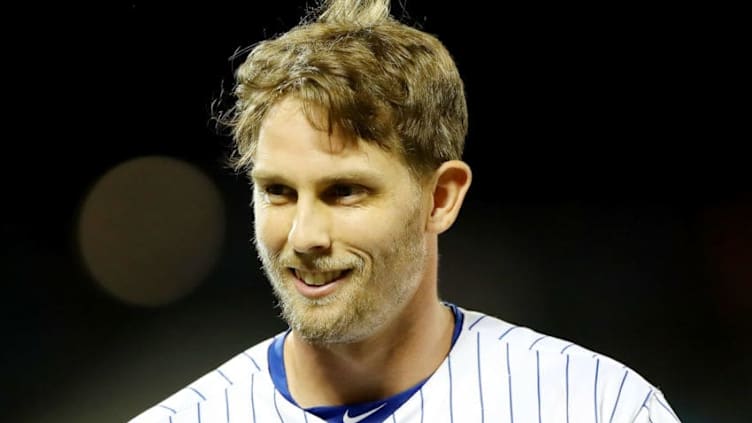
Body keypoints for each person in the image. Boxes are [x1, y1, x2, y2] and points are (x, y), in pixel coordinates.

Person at [129, 0, 681, 421]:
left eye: (344, 191)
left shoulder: (597, 406)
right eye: (278, 191)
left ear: (441, 198)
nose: (304, 236)